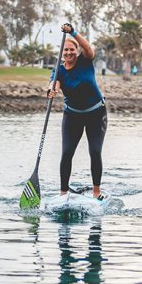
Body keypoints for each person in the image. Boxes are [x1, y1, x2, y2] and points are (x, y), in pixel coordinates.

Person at [48, 23, 107, 200]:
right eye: (65, 50)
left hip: (96, 114)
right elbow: (54, 83)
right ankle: (63, 193)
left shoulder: (86, 60)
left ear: (76, 50)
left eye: (71, 49)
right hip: (72, 116)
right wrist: (52, 90)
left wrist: (72, 32)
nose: (68, 53)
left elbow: (88, 47)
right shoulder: (58, 69)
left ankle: (97, 192)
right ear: (61, 53)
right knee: (67, 152)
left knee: (95, 151)